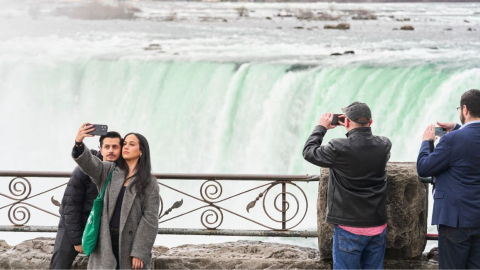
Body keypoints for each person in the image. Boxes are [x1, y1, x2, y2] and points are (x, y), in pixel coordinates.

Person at [303, 102, 392, 269]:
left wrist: (321, 127)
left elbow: (309, 152)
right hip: (377, 226)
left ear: (347, 122)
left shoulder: (338, 148)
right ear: (371, 123)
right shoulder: (384, 144)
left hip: (349, 227)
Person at [72, 123, 160, 269]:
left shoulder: (149, 182)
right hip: (104, 240)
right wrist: (79, 143)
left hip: (130, 244)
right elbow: (91, 164)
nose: (125, 147)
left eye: (131, 144)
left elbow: (150, 219)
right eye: (124, 143)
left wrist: (139, 251)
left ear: (141, 151)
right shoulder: (110, 170)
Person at [417, 89, 480, 269]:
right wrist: (457, 128)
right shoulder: (456, 136)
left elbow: (424, 168)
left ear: (465, 109)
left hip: (455, 220)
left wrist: (426, 142)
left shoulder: (451, 140)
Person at [51, 131, 122, 269]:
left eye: (115, 147)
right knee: (59, 265)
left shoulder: (122, 171)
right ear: (101, 149)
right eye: (107, 147)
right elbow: (70, 206)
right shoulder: (84, 169)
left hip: (100, 227)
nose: (111, 151)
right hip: (73, 224)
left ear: (121, 149)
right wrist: (77, 240)